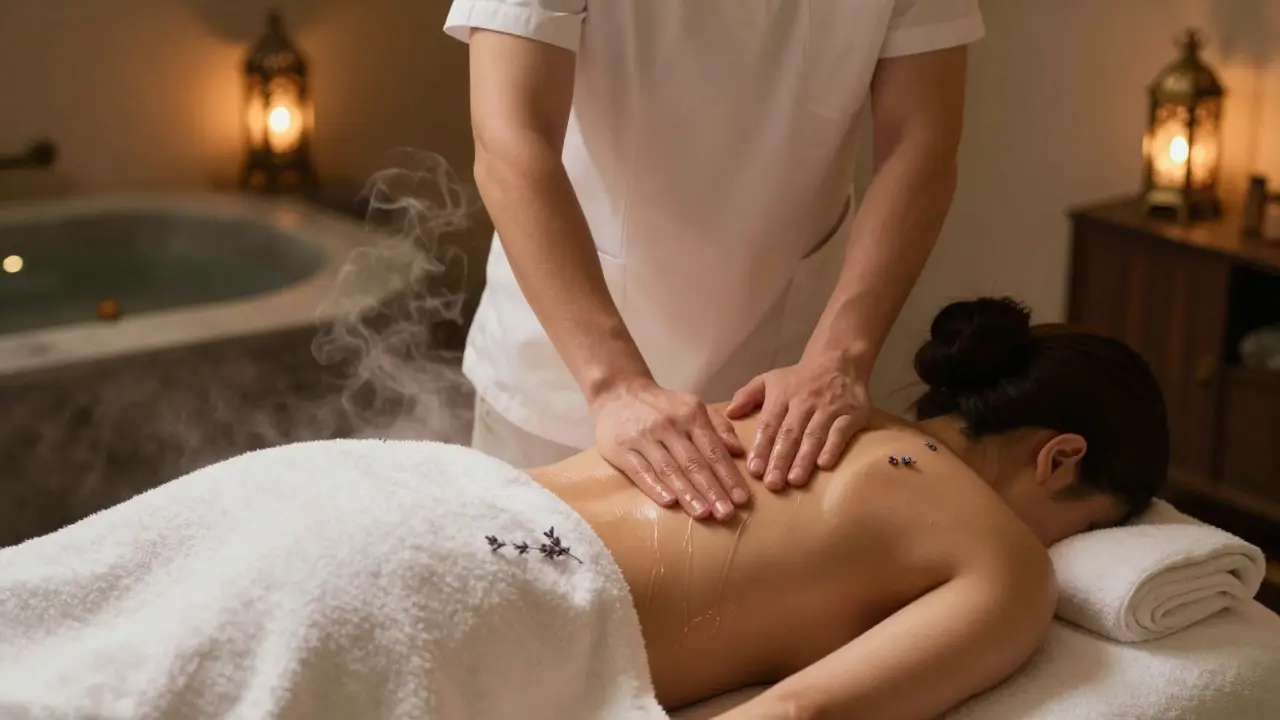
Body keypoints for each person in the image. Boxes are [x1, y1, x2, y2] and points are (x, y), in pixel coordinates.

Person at [0, 297, 1170, 720]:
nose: (1068, 560)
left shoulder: (799, 409)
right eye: (1093, 527)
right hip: (478, 585)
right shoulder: (1001, 566)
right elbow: (802, 715)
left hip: (372, 488)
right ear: (1058, 460)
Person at [446, 0, 986, 521]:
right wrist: (617, 385)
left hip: (779, 376)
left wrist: (839, 357)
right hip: (567, 365)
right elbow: (511, 137)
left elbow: (921, 142)